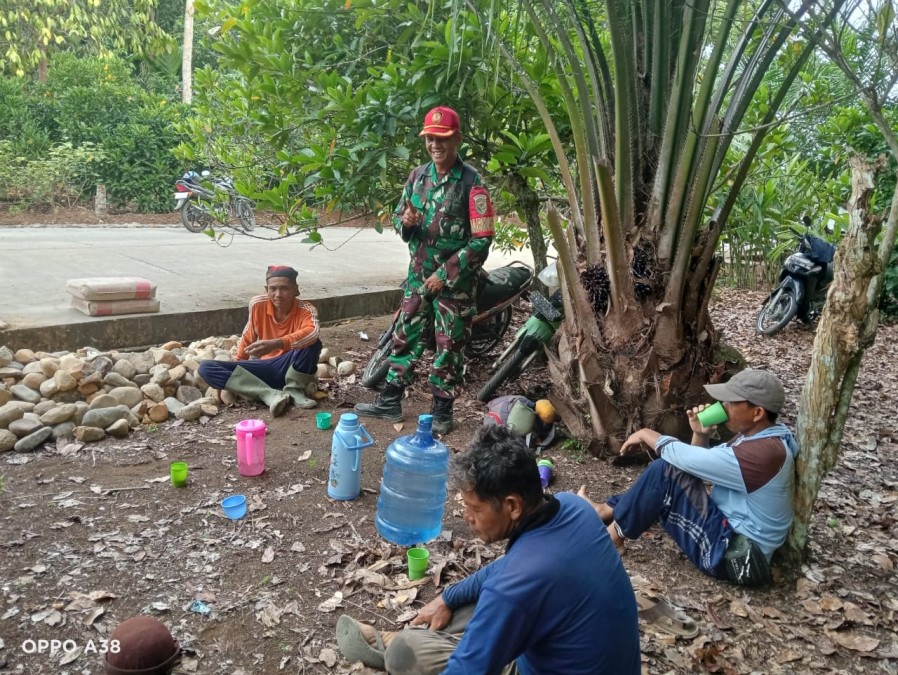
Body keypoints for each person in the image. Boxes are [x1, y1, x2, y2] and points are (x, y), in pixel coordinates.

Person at [335, 425, 641, 674]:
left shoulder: (517, 585)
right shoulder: (574, 508)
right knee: (469, 601)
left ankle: (395, 643)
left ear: (512, 506)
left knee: (407, 653)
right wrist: (447, 597)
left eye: (474, 508)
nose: (466, 517)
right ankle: (452, 636)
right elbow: (503, 571)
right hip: (587, 653)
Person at [582, 369, 799, 587]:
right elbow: (693, 467)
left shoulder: (764, 454)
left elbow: (679, 459)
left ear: (758, 413)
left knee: (664, 469)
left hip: (737, 557)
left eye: (731, 402)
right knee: (669, 470)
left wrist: (646, 433)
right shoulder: (759, 438)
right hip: (729, 536)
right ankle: (607, 510)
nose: (723, 406)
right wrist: (701, 434)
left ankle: (613, 537)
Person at [355, 106, 494, 434]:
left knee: (450, 346)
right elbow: (398, 215)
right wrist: (404, 222)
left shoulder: (472, 182)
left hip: (454, 285)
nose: (435, 144)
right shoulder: (418, 176)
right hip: (418, 277)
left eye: (442, 138)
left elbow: (482, 240)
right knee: (405, 335)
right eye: (430, 138)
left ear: (457, 139)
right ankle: (390, 400)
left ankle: (442, 412)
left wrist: (444, 274)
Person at [198, 265, 322, 417]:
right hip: (264, 368)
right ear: (266, 289)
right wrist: (237, 365)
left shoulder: (307, 309)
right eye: (273, 288)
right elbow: (248, 336)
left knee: (313, 344)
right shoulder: (258, 304)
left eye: (284, 288)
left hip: (290, 365)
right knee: (205, 368)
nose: (278, 294)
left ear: (296, 289)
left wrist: (277, 343)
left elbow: (313, 332)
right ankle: (269, 394)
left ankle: (294, 390)